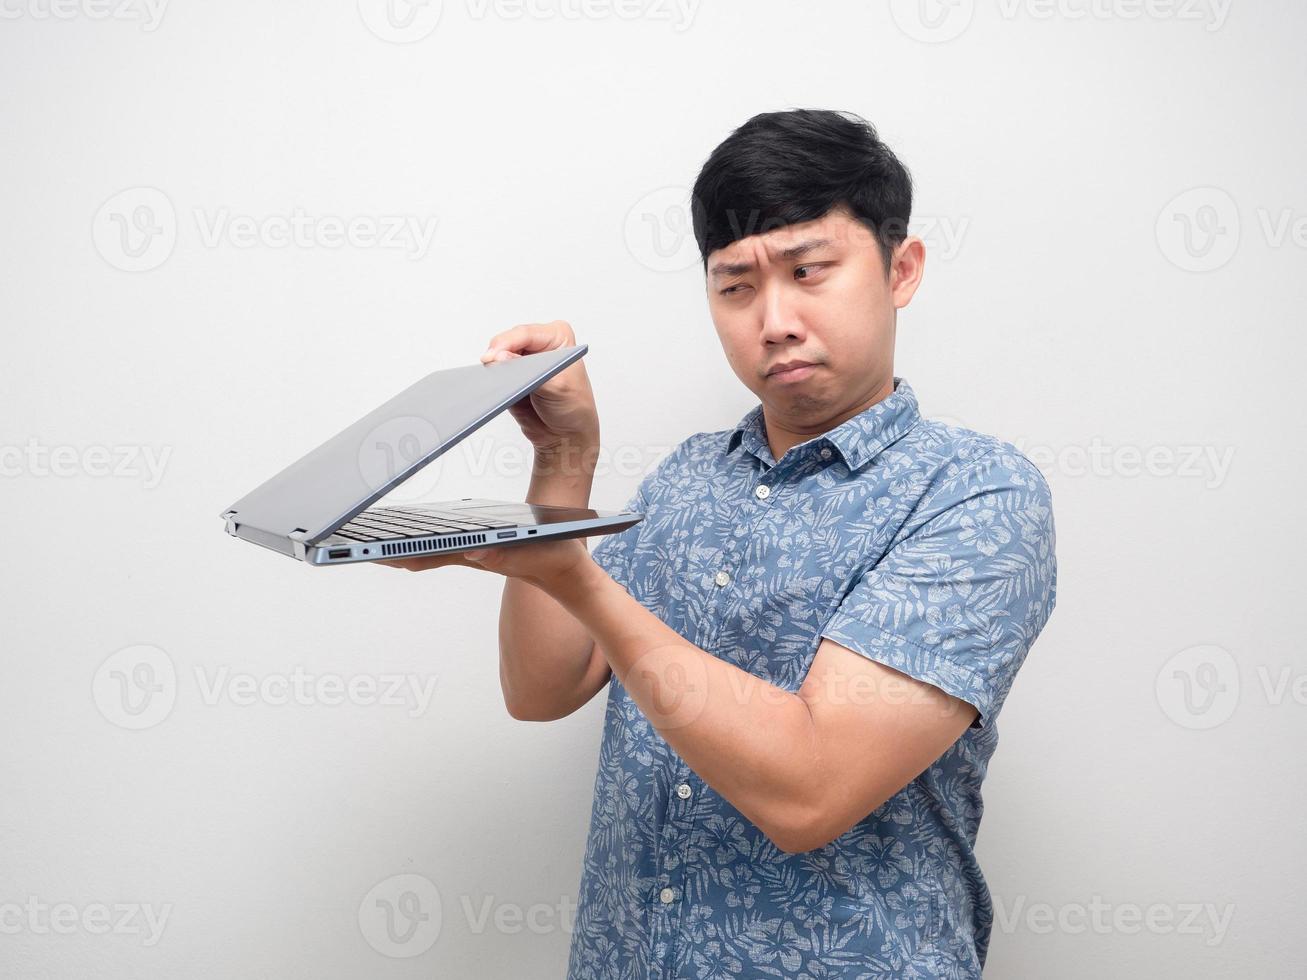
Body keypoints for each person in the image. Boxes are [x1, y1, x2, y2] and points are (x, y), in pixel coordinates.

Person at [384, 108, 1058, 979]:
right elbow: (542, 688)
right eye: (734, 286)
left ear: (901, 268)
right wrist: (562, 459)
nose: (772, 319)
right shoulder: (687, 477)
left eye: (809, 270)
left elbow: (809, 790)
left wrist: (576, 579)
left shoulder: (973, 493)